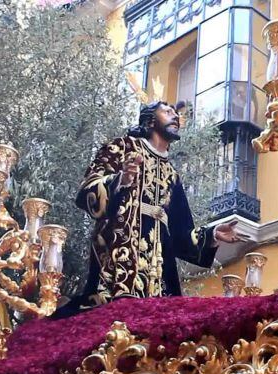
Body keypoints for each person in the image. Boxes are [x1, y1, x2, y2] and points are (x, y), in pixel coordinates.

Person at [75, 101, 248, 305]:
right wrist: (118, 181)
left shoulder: (172, 175)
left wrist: (211, 234)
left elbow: (182, 234)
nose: (175, 116)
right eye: (167, 112)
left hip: (160, 269)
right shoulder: (121, 147)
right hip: (119, 257)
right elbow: (87, 190)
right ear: (150, 120)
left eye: (176, 114)